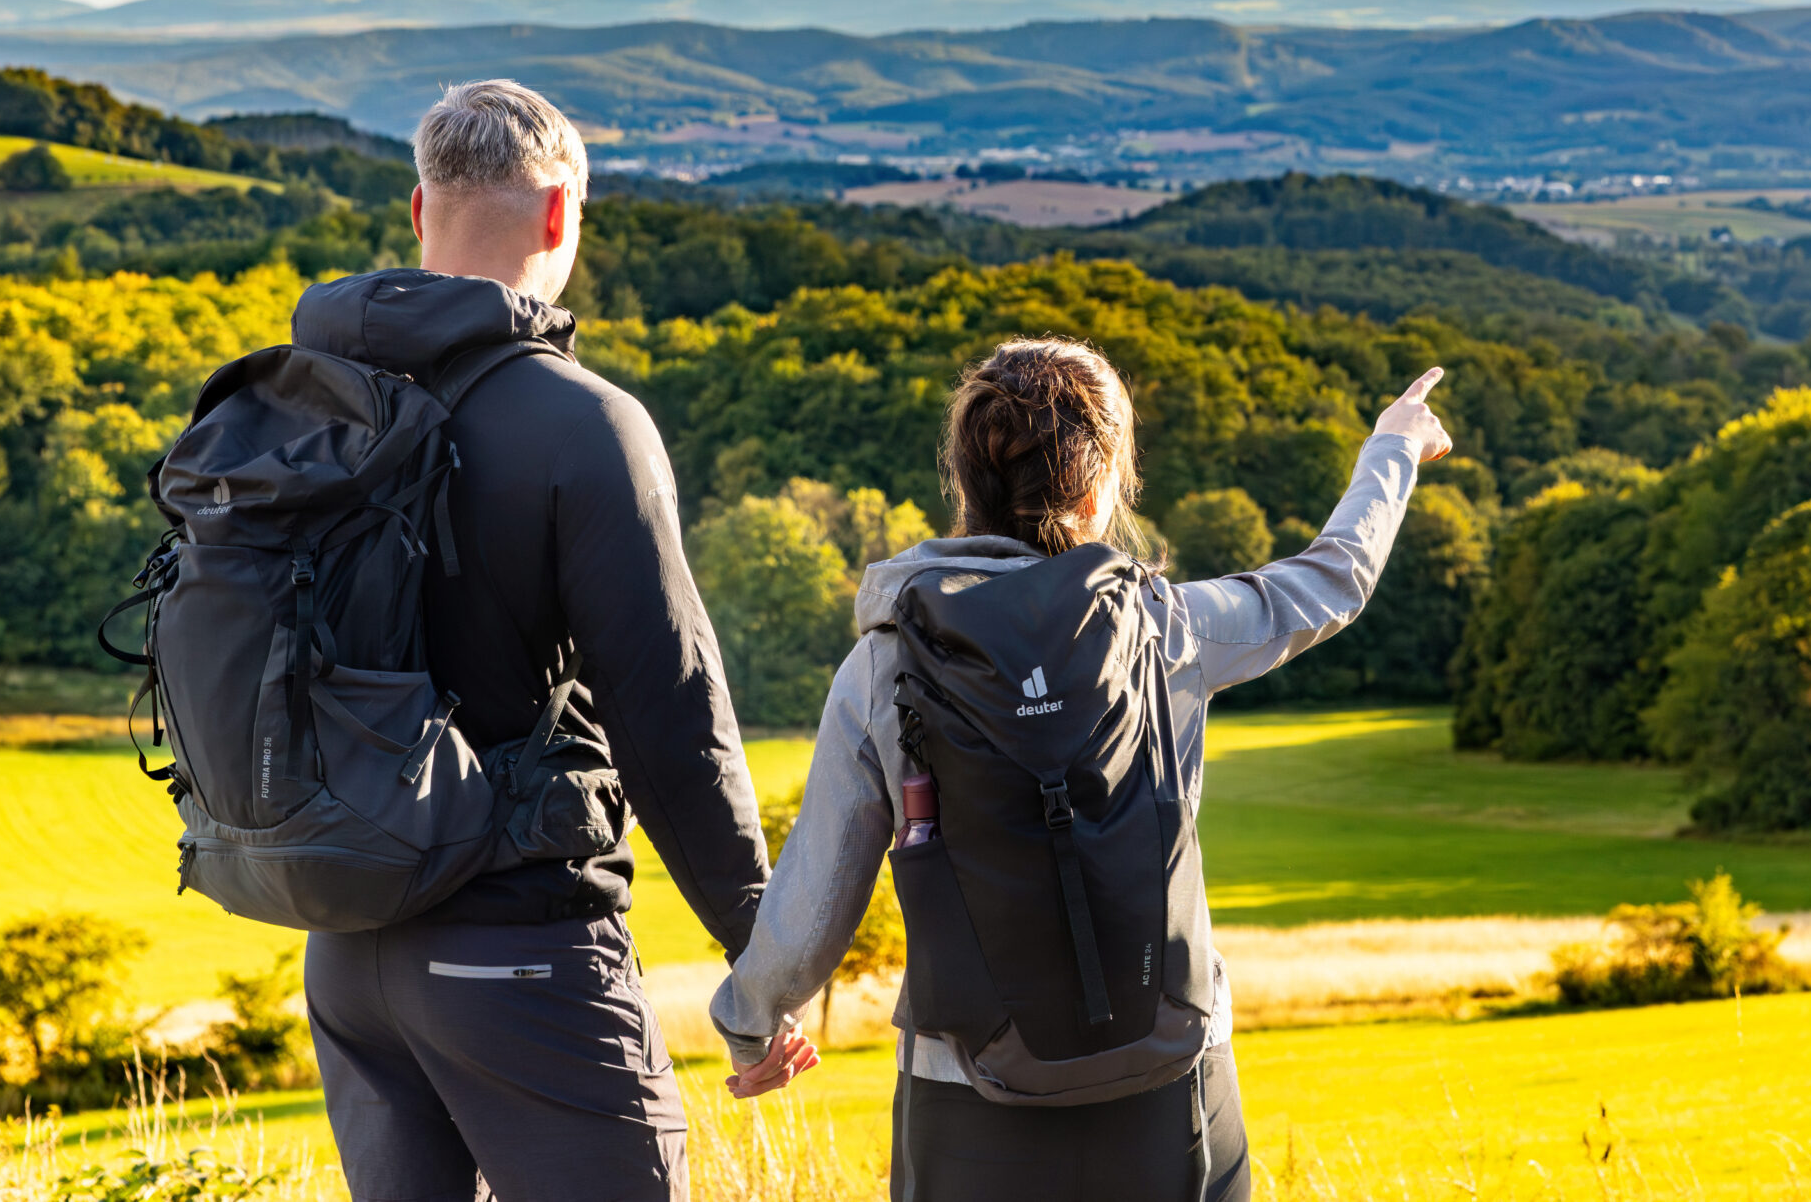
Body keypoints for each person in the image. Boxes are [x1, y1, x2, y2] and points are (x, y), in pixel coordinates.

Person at [710, 336, 1454, 1201]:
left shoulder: (888, 665)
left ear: (965, 483)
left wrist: (752, 1025)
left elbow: (817, 889)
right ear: (1102, 489)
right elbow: (1334, 580)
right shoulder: (1168, 629)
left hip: (966, 1099)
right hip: (1172, 1084)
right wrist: (1394, 444)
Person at [289, 79, 805, 1202]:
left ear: (420, 214)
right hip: (512, 934)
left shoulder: (309, 404)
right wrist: (760, 946)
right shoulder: (583, 421)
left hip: (344, 946)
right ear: (562, 215)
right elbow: (666, 704)